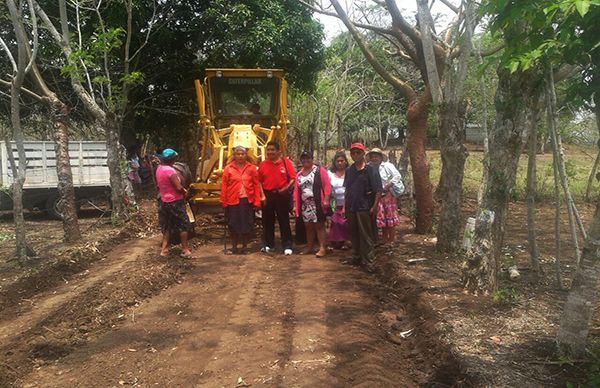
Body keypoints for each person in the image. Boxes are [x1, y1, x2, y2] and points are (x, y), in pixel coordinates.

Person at [344, 142, 383, 271]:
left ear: (363, 154)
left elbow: (378, 190)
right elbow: (347, 189)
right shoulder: (349, 170)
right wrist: (345, 206)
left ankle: (368, 261)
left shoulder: (370, 170)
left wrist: (375, 206)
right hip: (352, 206)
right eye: (353, 153)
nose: (355, 155)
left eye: (358, 152)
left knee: (366, 234)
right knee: (353, 233)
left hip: (365, 206)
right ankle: (356, 256)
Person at [220, 146, 262, 254]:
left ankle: (244, 246)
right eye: (238, 154)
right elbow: (224, 186)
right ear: (234, 155)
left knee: (247, 223)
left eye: (242, 154)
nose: (240, 156)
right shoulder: (228, 168)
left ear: (246, 155)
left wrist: (257, 201)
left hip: (247, 200)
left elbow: (256, 185)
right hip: (232, 200)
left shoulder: (251, 168)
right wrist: (223, 201)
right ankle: (234, 246)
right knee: (233, 223)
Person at [258, 141, 295, 255]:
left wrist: (286, 188)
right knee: (267, 221)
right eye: (268, 150)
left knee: (283, 220)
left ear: (278, 151)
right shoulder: (263, 164)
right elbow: (259, 181)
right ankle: (269, 244)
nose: (270, 152)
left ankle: (287, 245)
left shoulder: (285, 162)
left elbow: (293, 178)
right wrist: (262, 196)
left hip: (281, 195)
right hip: (268, 195)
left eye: (272, 150)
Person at [156, 148, 193, 258]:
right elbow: (178, 187)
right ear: (173, 159)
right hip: (175, 201)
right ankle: (185, 250)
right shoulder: (170, 171)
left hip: (164, 201)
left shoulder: (159, 168)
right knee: (183, 225)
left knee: (167, 226)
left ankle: (164, 250)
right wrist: (184, 191)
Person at [293, 150, 331, 257]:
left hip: (317, 203)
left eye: (308, 158)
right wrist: (295, 205)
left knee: (319, 225)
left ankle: (322, 247)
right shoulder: (299, 174)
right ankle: (309, 246)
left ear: (312, 159)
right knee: (308, 226)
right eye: (303, 158)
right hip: (305, 204)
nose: (305, 160)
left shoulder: (319, 171)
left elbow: (327, 185)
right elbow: (296, 190)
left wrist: (326, 199)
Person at [368, 148, 404, 245]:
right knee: (382, 217)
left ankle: (391, 239)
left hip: (388, 195)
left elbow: (397, 176)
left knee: (390, 217)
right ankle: (384, 238)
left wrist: (389, 185)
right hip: (377, 196)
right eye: (372, 157)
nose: (374, 158)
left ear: (380, 157)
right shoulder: (369, 167)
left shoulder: (388, 166)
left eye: (376, 156)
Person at [328, 151, 350, 250]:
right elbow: (327, 188)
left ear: (345, 161)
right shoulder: (330, 174)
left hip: (348, 202)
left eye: (342, 161)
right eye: (338, 161)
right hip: (334, 202)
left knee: (345, 223)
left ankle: (346, 241)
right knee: (335, 222)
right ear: (335, 162)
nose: (340, 163)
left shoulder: (350, 173)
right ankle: (336, 241)